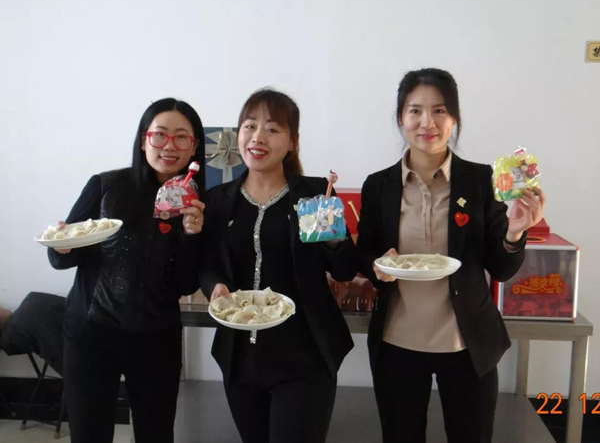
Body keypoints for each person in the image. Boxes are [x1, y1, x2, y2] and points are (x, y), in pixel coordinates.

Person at [357, 68, 546, 443]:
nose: (427, 122)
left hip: (466, 343)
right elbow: (365, 251)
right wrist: (377, 265)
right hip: (398, 340)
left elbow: (501, 268)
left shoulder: (481, 181)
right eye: (415, 110)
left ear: (454, 119)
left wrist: (515, 232)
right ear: (401, 118)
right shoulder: (378, 185)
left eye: (439, 110)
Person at [199, 88, 358, 443]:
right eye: (249, 126)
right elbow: (208, 264)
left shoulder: (316, 194)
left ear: (292, 142)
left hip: (305, 357)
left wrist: (333, 238)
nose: (258, 137)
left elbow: (345, 269)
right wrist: (215, 288)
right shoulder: (218, 200)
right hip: (239, 356)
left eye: (272, 129)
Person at [48, 98, 206, 443]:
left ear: (194, 146)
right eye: (160, 134)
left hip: (156, 339)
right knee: (89, 434)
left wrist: (191, 237)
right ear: (143, 139)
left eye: (182, 137)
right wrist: (61, 244)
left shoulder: (195, 201)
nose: (169, 146)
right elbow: (61, 258)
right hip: (92, 332)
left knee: (156, 434)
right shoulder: (106, 186)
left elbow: (185, 284)